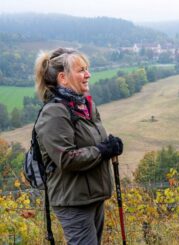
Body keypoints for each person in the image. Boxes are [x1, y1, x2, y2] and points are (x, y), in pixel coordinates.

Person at [34, 47, 123, 245]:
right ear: (63, 78)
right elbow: (65, 158)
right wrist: (102, 150)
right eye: (81, 70)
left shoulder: (85, 105)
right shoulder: (54, 113)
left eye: (87, 69)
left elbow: (93, 142)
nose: (88, 74)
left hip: (93, 196)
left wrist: (111, 145)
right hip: (73, 201)